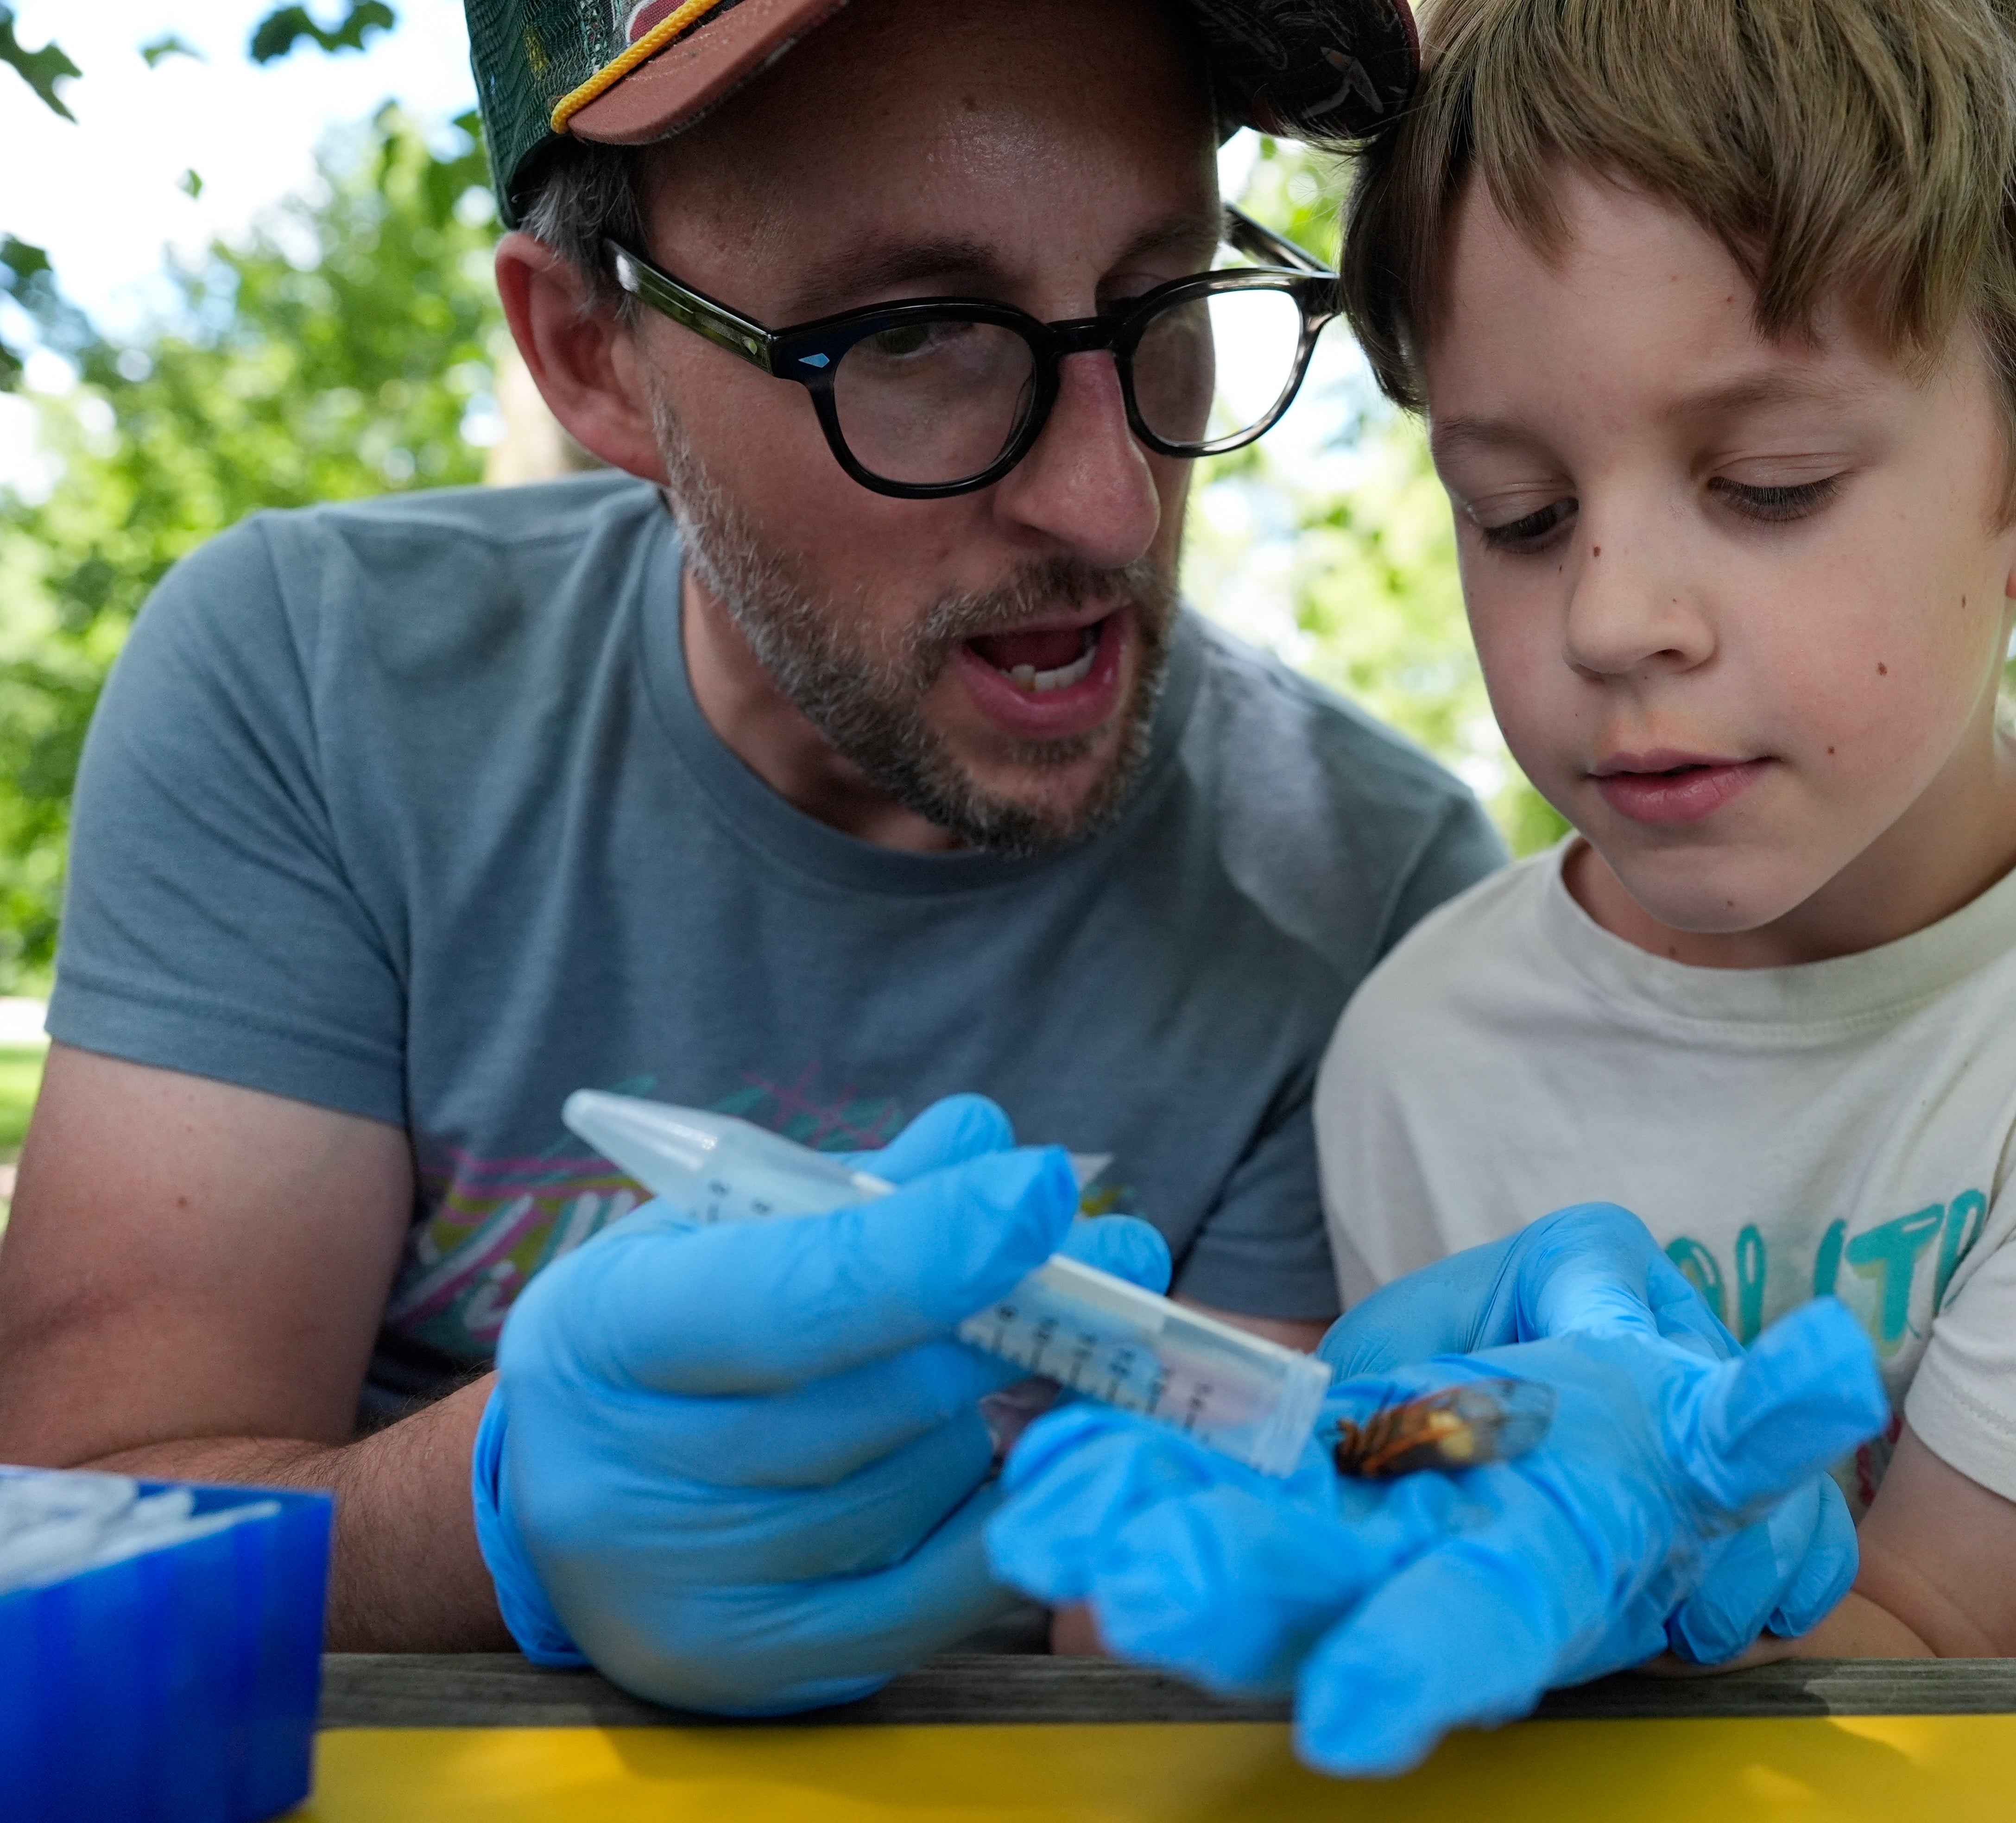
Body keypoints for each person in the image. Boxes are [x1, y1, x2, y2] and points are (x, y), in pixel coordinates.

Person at [0, 0, 1504, 1660]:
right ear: (593, 354)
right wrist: (491, 1513)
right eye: (919, 336)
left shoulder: (1369, 886)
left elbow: (1173, 1640)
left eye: (1165, 301)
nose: (1111, 502)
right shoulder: (318, 686)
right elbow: (80, 1527)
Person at [995, 0, 2016, 1688]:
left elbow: (1944, 1656)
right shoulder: (1427, 1043)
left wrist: (1602, 1572)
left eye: (1771, 484)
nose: (1610, 618)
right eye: (1520, 515)